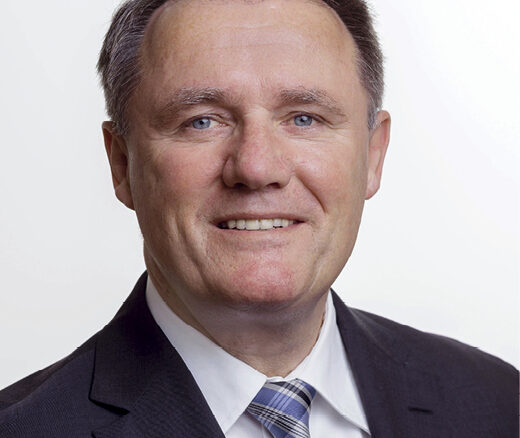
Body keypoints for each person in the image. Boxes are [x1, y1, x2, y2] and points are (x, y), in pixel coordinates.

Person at [0, 0, 517, 436]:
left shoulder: (498, 404)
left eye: (304, 118)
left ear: (373, 156)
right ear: (122, 164)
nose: (256, 168)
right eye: (201, 121)